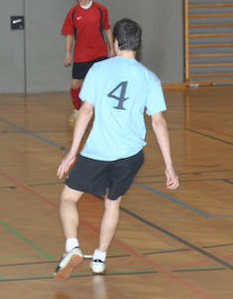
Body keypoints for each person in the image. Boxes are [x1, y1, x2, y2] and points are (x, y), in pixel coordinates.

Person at [53, 18, 179, 280]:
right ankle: (99, 258)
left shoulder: (99, 69)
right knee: (113, 203)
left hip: (98, 152)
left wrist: (72, 152)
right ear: (138, 44)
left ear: (115, 42)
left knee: (68, 198)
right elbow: (159, 122)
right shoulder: (149, 78)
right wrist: (169, 166)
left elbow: (86, 110)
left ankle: (72, 246)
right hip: (131, 156)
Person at [61, 0, 114, 123]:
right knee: (75, 85)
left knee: (102, 84)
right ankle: (77, 109)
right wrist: (68, 53)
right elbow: (69, 34)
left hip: (99, 53)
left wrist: (112, 49)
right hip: (81, 55)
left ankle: (103, 111)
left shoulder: (101, 10)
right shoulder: (72, 13)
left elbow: (107, 29)